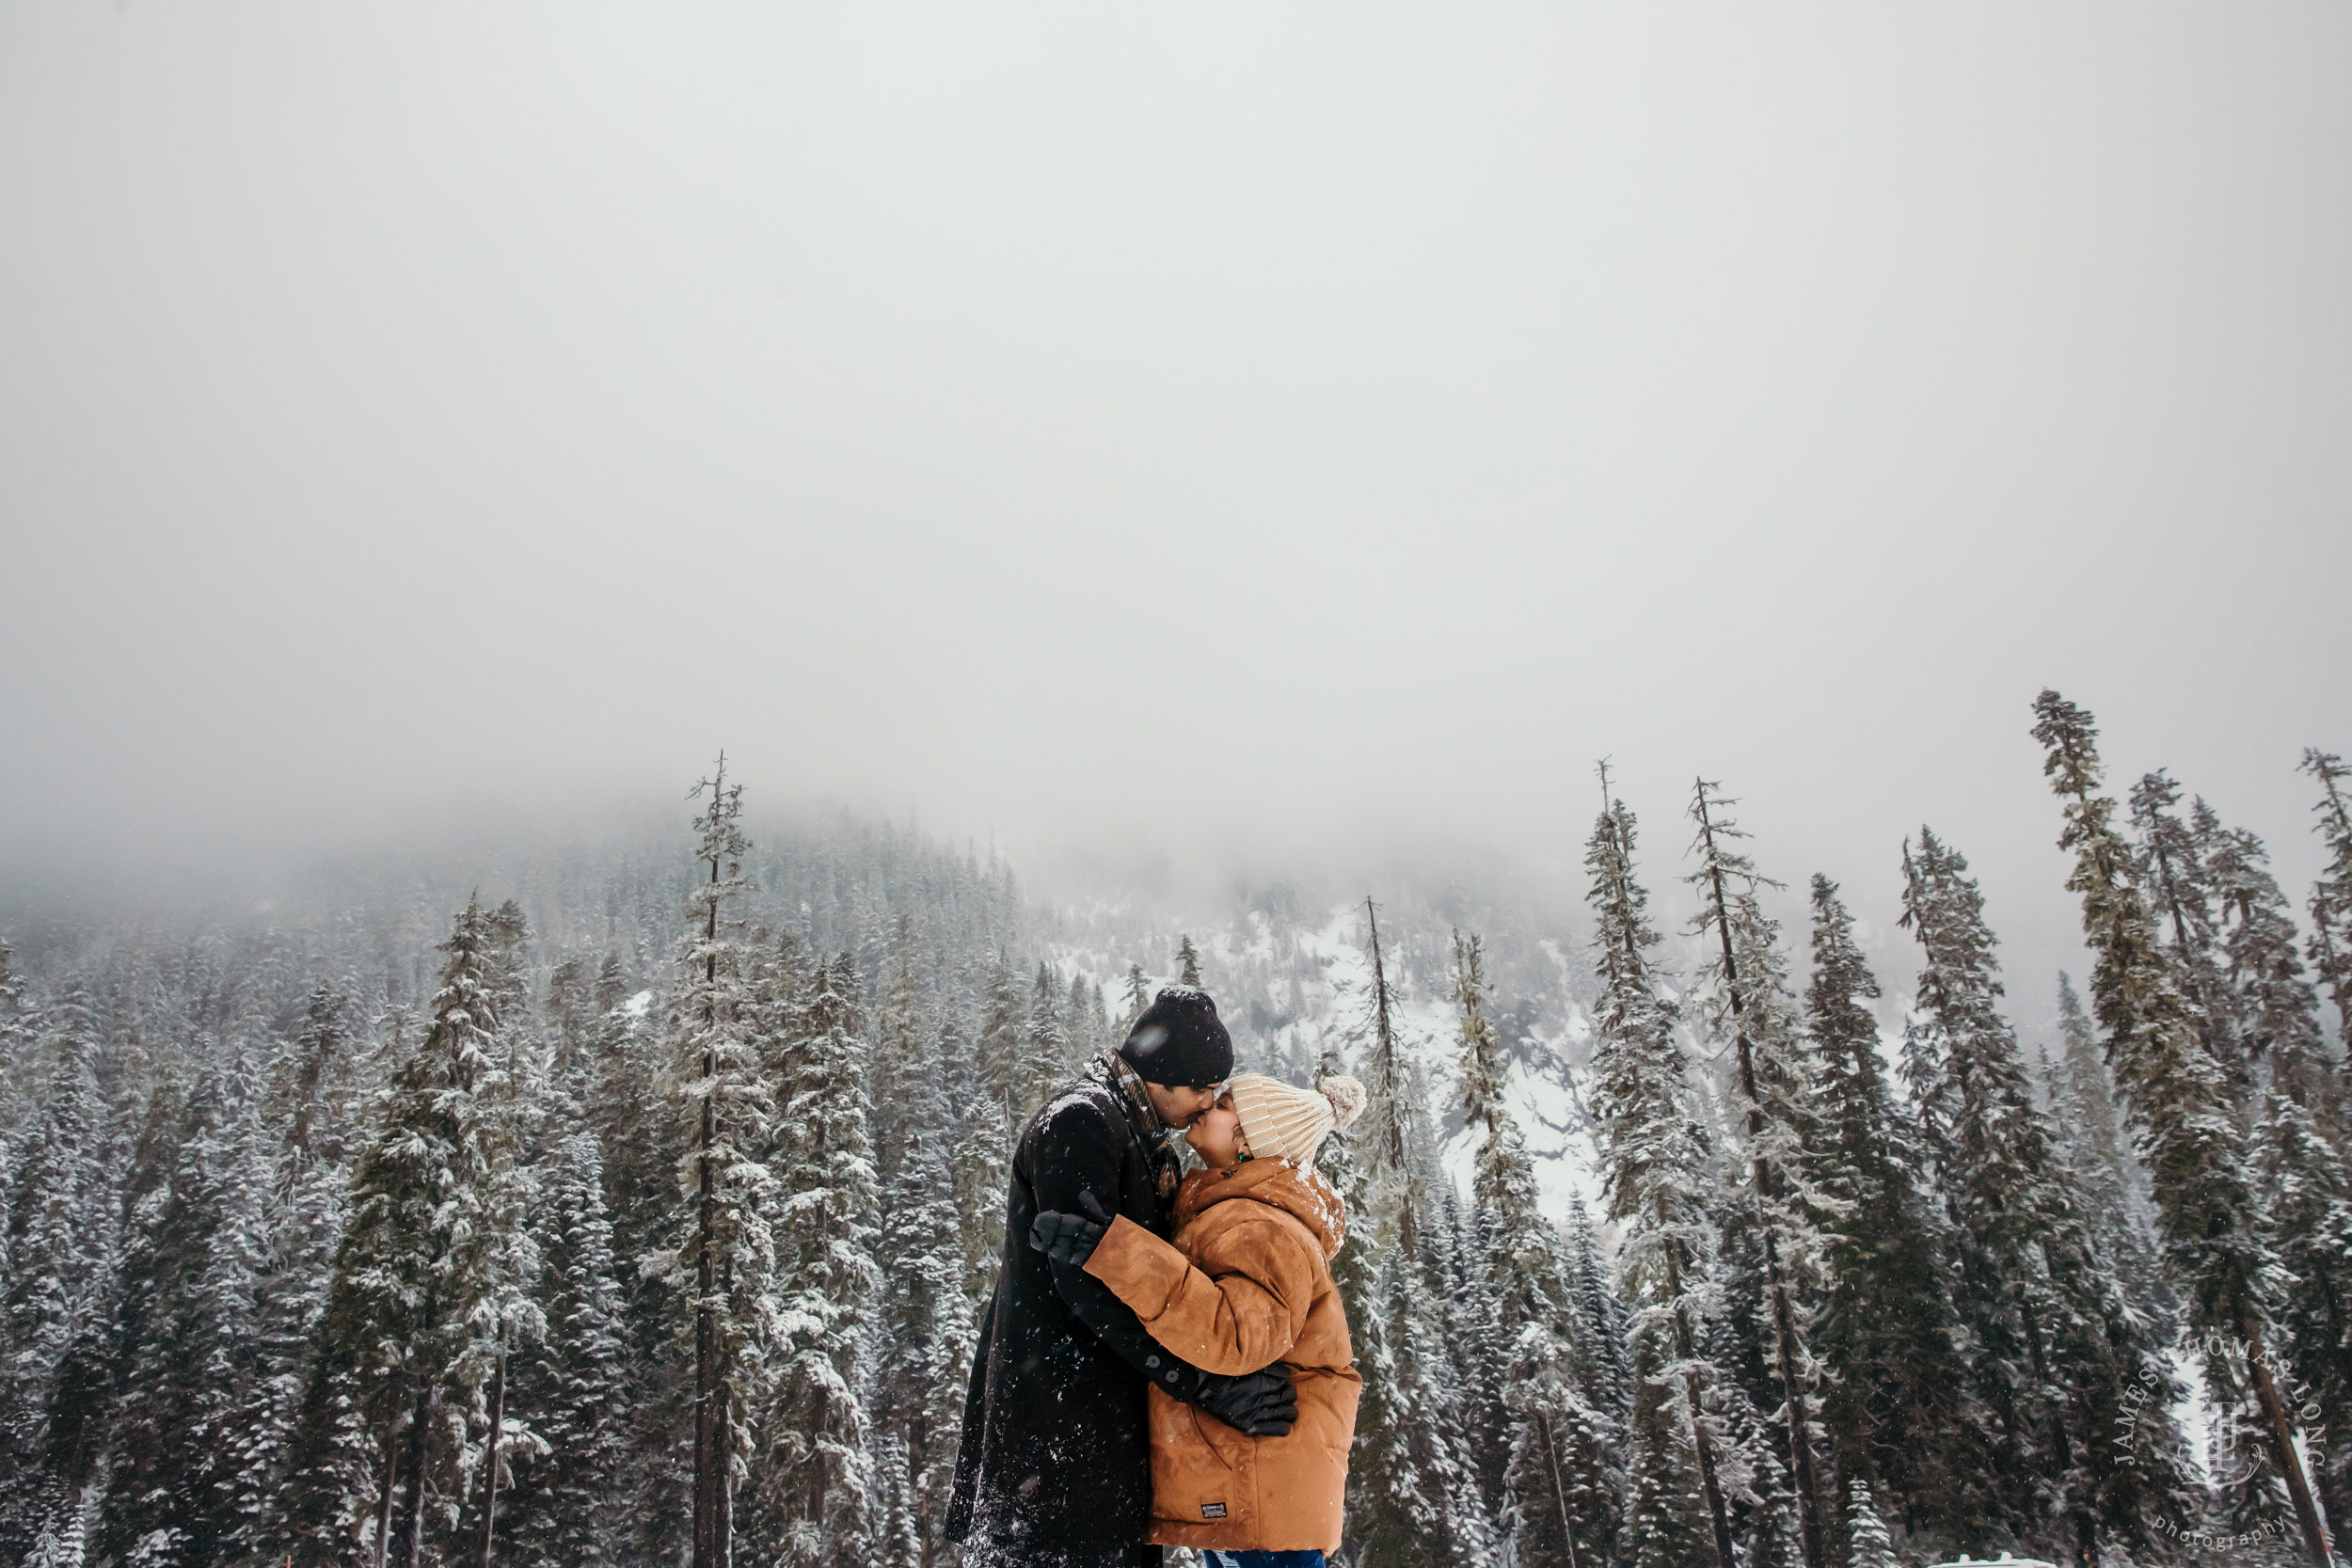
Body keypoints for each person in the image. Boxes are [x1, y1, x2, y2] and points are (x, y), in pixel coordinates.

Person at [945, 987, 1299, 1568]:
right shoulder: (1081, 1123)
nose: (1207, 1104)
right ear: (1161, 1075)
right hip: (1056, 1434)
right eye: (1202, 1090)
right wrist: (1204, 1383)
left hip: (1094, 1435)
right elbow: (1089, 1284)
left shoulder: (1134, 1131)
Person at [1029, 1070, 1368, 1568]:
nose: (1207, 1105)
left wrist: (1118, 1253)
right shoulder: (1232, 1213)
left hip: (1264, 1488)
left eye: (1226, 1104)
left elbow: (1236, 1338)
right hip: (1252, 1482)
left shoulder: (1260, 1225)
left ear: (1248, 1142)